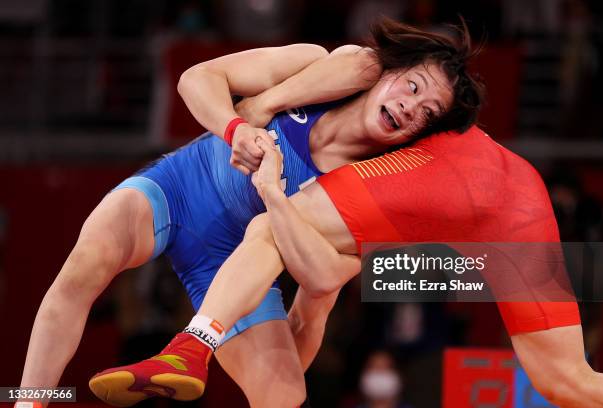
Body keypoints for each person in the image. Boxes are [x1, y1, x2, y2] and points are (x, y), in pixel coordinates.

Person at [19, 18, 483, 408]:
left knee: (284, 395)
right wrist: (236, 127)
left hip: (236, 264)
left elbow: (327, 276)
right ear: (387, 72)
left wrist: (275, 197)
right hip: (179, 188)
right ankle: (29, 399)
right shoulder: (317, 67)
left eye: (427, 112)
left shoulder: (374, 183)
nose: (409, 107)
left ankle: (188, 351)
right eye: (413, 86)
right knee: (86, 264)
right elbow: (195, 78)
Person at [96, 94, 603, 407]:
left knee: (270, 231)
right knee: (569, 384)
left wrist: (247, 139)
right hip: (516, 189)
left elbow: (200, 80)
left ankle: (190, 348)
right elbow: (314, 300)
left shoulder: (347, 83)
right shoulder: (341, 232)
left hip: (455, 172)